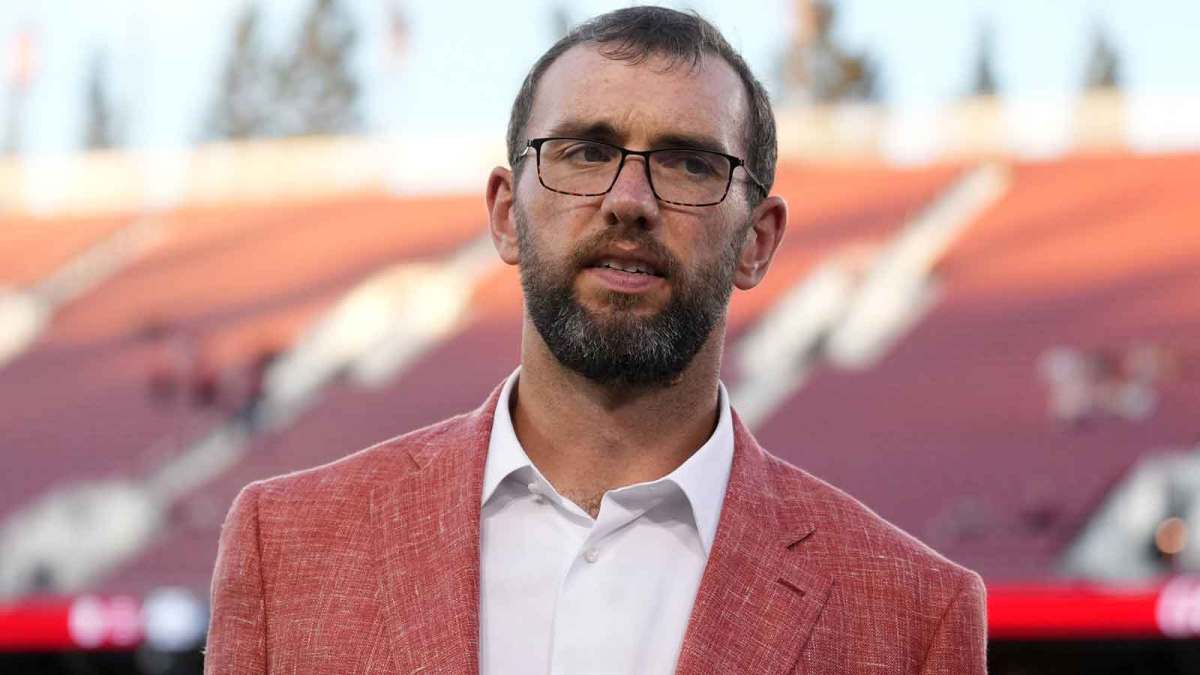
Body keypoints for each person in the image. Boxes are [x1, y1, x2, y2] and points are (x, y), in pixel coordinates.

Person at [204, 7, 986, 674]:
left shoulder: (913, 616)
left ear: (758, 240)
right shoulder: (288, 548)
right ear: (507, 214)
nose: (629, 201)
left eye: (688, 163)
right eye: (585, 152)